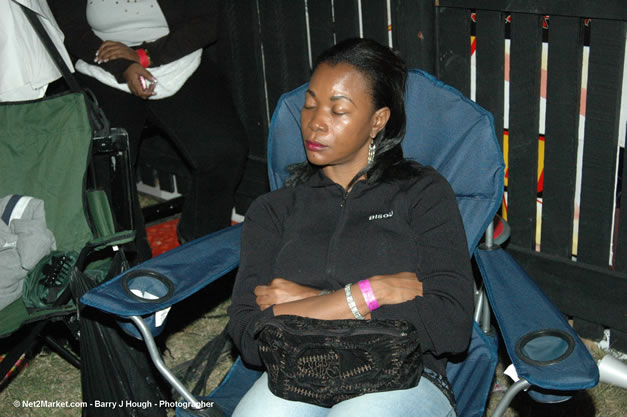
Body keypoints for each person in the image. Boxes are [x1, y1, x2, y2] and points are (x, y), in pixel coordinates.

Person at [227, 38, 473, 417]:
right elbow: (249, 331)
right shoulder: (274, 210)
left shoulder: (422, 192)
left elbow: (450, 322)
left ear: (378, 120)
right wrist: (374, 291)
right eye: (310, 105)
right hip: (296, 371)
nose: (315, 122)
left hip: (405, 373)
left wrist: (300, 303)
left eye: (338, 110)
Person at [48, 0, 248, 253]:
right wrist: (124, 66)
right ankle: (132, 256)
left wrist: (145, 56)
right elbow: (73, 32)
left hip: (176, 56)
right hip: (103, 64)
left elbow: (207, 22)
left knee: (225, 150)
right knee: (108, 164)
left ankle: (201, 238)